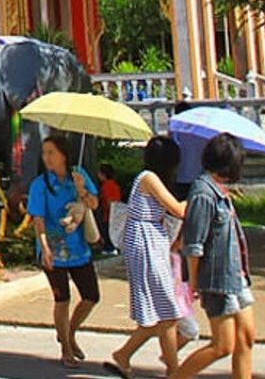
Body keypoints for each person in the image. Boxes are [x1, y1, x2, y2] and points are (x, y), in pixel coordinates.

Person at [107, 136, 193, 378]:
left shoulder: (149, 178)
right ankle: (173, 370)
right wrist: (200, 194)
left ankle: (124, 355)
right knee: (166, 313)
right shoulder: (149, 178)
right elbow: (177, 209)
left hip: (150, 242)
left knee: (159, 315)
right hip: (146, 244)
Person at [171, 134, 256, 379]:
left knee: (246, 336)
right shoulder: (203, 194)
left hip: (236, 276)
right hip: (217, 280)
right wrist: (195, 282)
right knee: (222, 346)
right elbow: (194, 244)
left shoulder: (217, 190)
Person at [30, 133, 100, 367]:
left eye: (51, 152)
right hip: (54, 250)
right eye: (44, 153)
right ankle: (66, 349)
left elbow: (94, 204)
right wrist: (44, 248)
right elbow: (38, 219)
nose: (47, 157)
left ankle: (69, 331)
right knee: (62, 299)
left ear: (63, 154)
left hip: (79, 249)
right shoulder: (41, 184)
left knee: (91, 296)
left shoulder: (78, 175)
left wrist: (83, 191)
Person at [97, 164, 123, 254]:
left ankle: (109, 248)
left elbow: (109, 201)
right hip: (116, 213)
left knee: (107, 231)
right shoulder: (115, 185)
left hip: (108, 214)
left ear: (104, 175)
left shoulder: (105, 186)